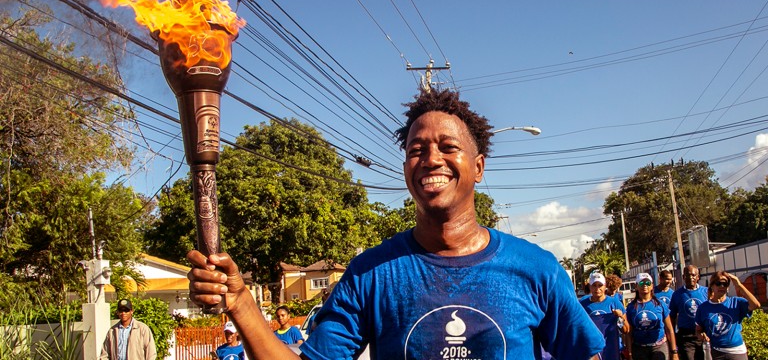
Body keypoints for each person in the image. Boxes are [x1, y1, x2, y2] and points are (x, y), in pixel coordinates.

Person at [186, 89, 605, 359]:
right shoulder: (371, 274)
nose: (431, 159)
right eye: (416, 149)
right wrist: (240, 303)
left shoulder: (535, 268)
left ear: (478, 167)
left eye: (448, 147)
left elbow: (584, 354)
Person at [694, 271, 761, 360]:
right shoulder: (703, 308)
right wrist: (701, 335)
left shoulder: (736, 302)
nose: (722, 286)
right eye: (718, 283)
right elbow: (698, 330)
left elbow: (756, 305)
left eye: (725, 284)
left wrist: (739, 284)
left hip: (737, 352)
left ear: (728, 288)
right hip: (716, 352)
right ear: (712, 286)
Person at [626, 273, 678, 360]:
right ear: (636, 286)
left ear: (652, 286)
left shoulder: (660, 304)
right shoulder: (631, 307)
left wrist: (674, 352)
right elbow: (629, 332)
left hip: (659, 346)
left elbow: (669, 329)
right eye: (641, 283)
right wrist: (630, 353)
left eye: (648, 283)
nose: (645, 286)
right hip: (639, 348)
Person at [580, 272, 628, 360]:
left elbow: (626, 330)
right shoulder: (582, 304)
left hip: (611, 350)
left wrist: (620, 317)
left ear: (605, 286)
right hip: (592, 351)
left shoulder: (614, 303)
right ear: (590, 287)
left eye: (600, 285)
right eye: (594, 285)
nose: (597, 289)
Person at [669, 265, 708, 360]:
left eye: (693, 275)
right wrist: (672, 337)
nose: (691, 277)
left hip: (704, 334)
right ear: (683, 277)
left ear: (698, 277)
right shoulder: (677, 294)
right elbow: (672, 317)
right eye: (688, 275)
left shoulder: (706, 292)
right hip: (686, 336)